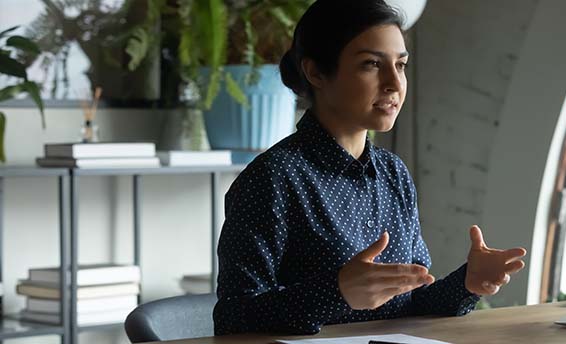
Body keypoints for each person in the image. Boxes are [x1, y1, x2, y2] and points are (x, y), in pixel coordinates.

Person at [213, 0, 527, 336]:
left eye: (401, 65)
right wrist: (337, 291)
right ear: (316, 72)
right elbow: (233, 317)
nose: (394, 83)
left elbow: (409, 304)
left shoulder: (393, 173)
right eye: (371, 64)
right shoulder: (272, 178)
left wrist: (468, 283)